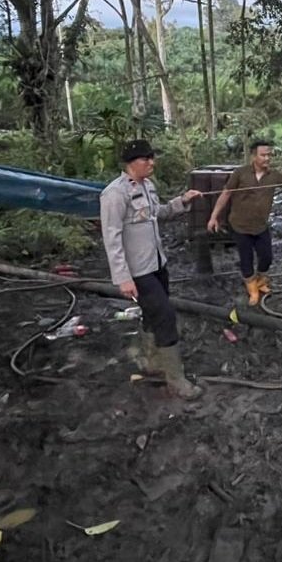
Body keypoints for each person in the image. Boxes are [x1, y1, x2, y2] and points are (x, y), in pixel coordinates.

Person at [100, 139, 204, 399]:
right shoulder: (115, 194)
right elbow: (111, 238)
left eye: (151, 158)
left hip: (156, 263)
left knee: (152, 312)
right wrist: (122, 278)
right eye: (146, 159)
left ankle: (151, 361)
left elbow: (159, 213)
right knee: (166, 316)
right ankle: (176, 379)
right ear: (131, 163)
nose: (151, 163)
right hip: (137, 271)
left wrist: (182, 201)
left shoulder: (148, 186)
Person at [206, 140, 282, 305]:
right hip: (240, 226)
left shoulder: (274, 176)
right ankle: (252, 289)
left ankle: (261, 280)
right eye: (263, 155)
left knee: (266, 257)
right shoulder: (240, 173)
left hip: (260, 226)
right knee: (246, 259)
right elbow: (225, 194)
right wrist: (214, 217)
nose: (267, 158)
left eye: (269, 155)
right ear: (254, 156)